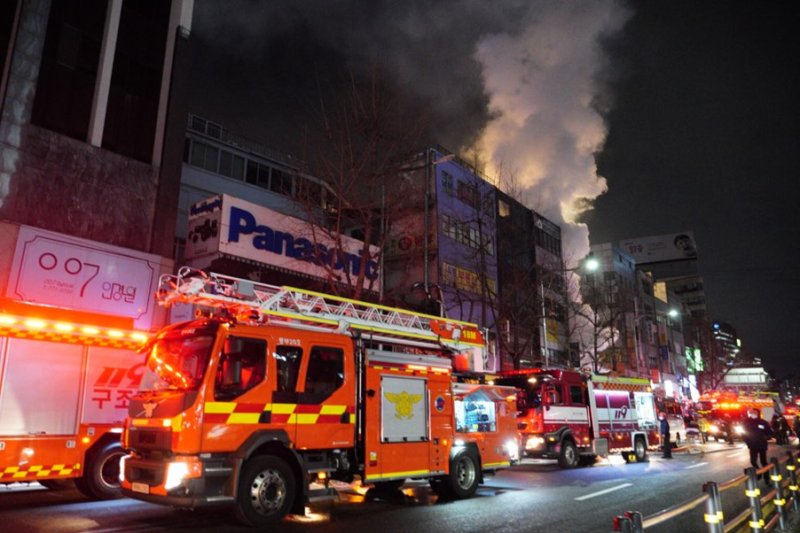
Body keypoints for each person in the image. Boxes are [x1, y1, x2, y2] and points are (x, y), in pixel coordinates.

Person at [743, 408, 773, 483]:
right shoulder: (747, 422)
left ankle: (767, 478)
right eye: (751, 412)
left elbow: (769, 433)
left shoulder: (763, 422)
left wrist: (764, 438)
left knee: (764, 462)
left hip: (762, 445)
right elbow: (743, 433)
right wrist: (747, 441)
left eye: (754, 413)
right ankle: (759, 473)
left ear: (758, 414)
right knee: (753, 461)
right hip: (752, 445)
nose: (752, 414)